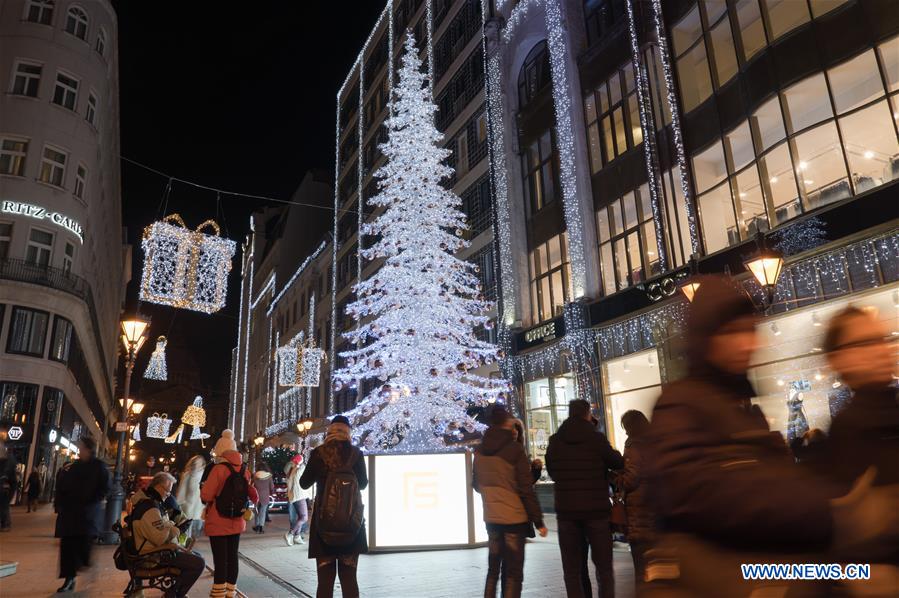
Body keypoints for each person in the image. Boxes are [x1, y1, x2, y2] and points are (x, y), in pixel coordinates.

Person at [646, 276, 899, 595]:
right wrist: (835, 513)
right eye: (732, 332)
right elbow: (698, 492)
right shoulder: (681, 402)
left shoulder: (740, 410)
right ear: (705, 339)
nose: (747, 344)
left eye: (749, 331)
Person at [545, 399, 623, 598]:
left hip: (567, 512)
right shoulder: (596, 438)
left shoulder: (555, 441)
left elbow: (553, 472)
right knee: (604, 568)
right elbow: (617, 461)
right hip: (596, 512)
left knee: (572, 570)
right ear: (588, 414)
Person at [473, 406, 547, 598]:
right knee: (513, 575)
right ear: (506, 424)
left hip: (491, 518)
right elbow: (525, 489)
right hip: (514, 519)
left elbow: (476, 485)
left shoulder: (479, 451)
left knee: (492, 572)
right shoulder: (514, 450)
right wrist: (538, 521)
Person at [823, 306, 899, 490]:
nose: (882, 350)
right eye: (865, 343)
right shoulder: (849, 428)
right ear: (836, 359)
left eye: (881, 340)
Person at [300, 415, 367, 598]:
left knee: (325, 581)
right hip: (352, 523)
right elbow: (363, 484)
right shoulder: (356, 453)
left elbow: (304, 483)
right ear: (348, 432)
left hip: (324, 525)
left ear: (329, 432)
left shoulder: (319, 453)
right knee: (349, 579)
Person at [200, 429, 258, 598]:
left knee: (220, 559)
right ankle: (230, 592)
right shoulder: (244, 470)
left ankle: (218, 592)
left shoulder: (217, 469)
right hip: (237, 519)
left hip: (218, 520)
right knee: (233, 557)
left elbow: (206, 495)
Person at [130, 472, 205, 598]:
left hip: (156, 552)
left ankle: (174, 592)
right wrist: (174, 529)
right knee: (198, 563)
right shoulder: (150, 508)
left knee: (197, 557)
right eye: (168, 491)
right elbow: (160, 538)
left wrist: (169, 526)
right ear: (159, 487)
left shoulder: (151, 504)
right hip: (153, 557)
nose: (169, 495)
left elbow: (160, 530)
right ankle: (173, 594)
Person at [54, 436, 109, 593]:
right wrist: (61, 505)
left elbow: (105, 487)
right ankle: (69, 579)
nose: (80, 451)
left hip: (88, 514)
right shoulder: (75, 466)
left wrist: (93, 500)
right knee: (68, 547)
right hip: (71, 513)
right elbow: (64, 486)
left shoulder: (99, 466)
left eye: (82, 448)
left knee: (84, 545)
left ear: (89, 449)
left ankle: (86, 564)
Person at [618, 410, 654, 592]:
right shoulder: (655, 442)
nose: (625, 431)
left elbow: (631, 478)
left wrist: (616, 478)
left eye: (625, 427)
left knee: (641, 566)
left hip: (639, 510)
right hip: (656, 507)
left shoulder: (633, 445)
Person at [175, 454, 207, 540]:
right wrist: (179, 503)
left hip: (199, 507)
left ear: (202, 464)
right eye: (195, 463)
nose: (196, 464)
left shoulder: (204, 476)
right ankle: (185, 546)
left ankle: (190, 546)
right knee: (185, 530)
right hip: (187, 506)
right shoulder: (187, 475)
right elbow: (182, 490)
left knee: (196, 531)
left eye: (198, 463)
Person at [285, 454, 311, 545]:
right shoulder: (301, 469)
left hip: (294, 496)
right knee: (304, 517)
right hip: (300, 495)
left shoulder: (293, 470)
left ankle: (297, 536)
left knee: (300, 516)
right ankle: (290, 533)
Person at [252, 461, 274, 534]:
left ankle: (257, 526)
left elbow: (251, 485)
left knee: (257, 511)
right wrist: (272, 492)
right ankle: (261, 527)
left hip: (256, 496)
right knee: (263, 512)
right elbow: (271, 487)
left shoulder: (255, 476)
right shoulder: (269, 476)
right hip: (265, 496)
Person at [0, 437, 16, 531]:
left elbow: (12, 480)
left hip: (4, 488)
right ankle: (5, 524)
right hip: (5, 488)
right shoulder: (9, 461)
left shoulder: (7, 463)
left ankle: (6, 524)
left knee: (4, 506)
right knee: (4, 506)